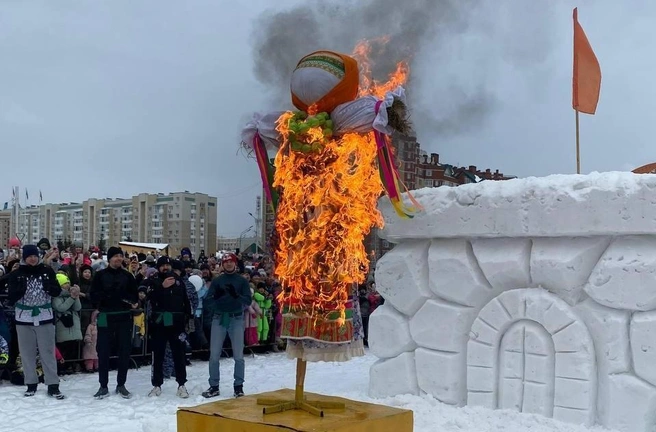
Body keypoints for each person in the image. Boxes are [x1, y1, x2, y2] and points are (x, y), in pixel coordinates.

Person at [6, 244, 64, 399]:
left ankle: (53, 384)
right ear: (25, 257)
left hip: (44, 316)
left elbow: (57, 291)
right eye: (29, 256)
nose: (32, 258)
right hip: (24, 318)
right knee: (26, 353)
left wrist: (49, 288)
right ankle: (31, 383)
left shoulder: (46, 271)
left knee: (47, 352)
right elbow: (11, 297)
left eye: (34, 256)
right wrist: (20, 290)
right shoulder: (17, 274)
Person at [89, 246, 138, 399]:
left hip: (123, 317)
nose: (118, 258)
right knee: (103, 351)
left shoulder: (127, 276)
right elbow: (93, 296)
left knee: (124, 351)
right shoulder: (100, 276)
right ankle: (103, 385)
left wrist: (126, 298)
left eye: (120, 256)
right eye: (115, 256)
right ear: (109, 259)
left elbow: (134, 297)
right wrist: (107, 297)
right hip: (105, 316)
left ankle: (121, 384)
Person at [202, 253, 252, 398]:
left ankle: (238, 386)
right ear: (222, 265)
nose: (229, 264)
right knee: (214, 355)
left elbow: (248, 301)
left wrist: (237, 296)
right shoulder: (218, 281)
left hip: (236, 318)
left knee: (238, 355)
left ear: (235, 264)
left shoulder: (242, 281)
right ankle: (214, 386)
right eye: (226, 262)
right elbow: (207, 301)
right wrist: (216, 300)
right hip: (219, 318)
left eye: (231, 261)